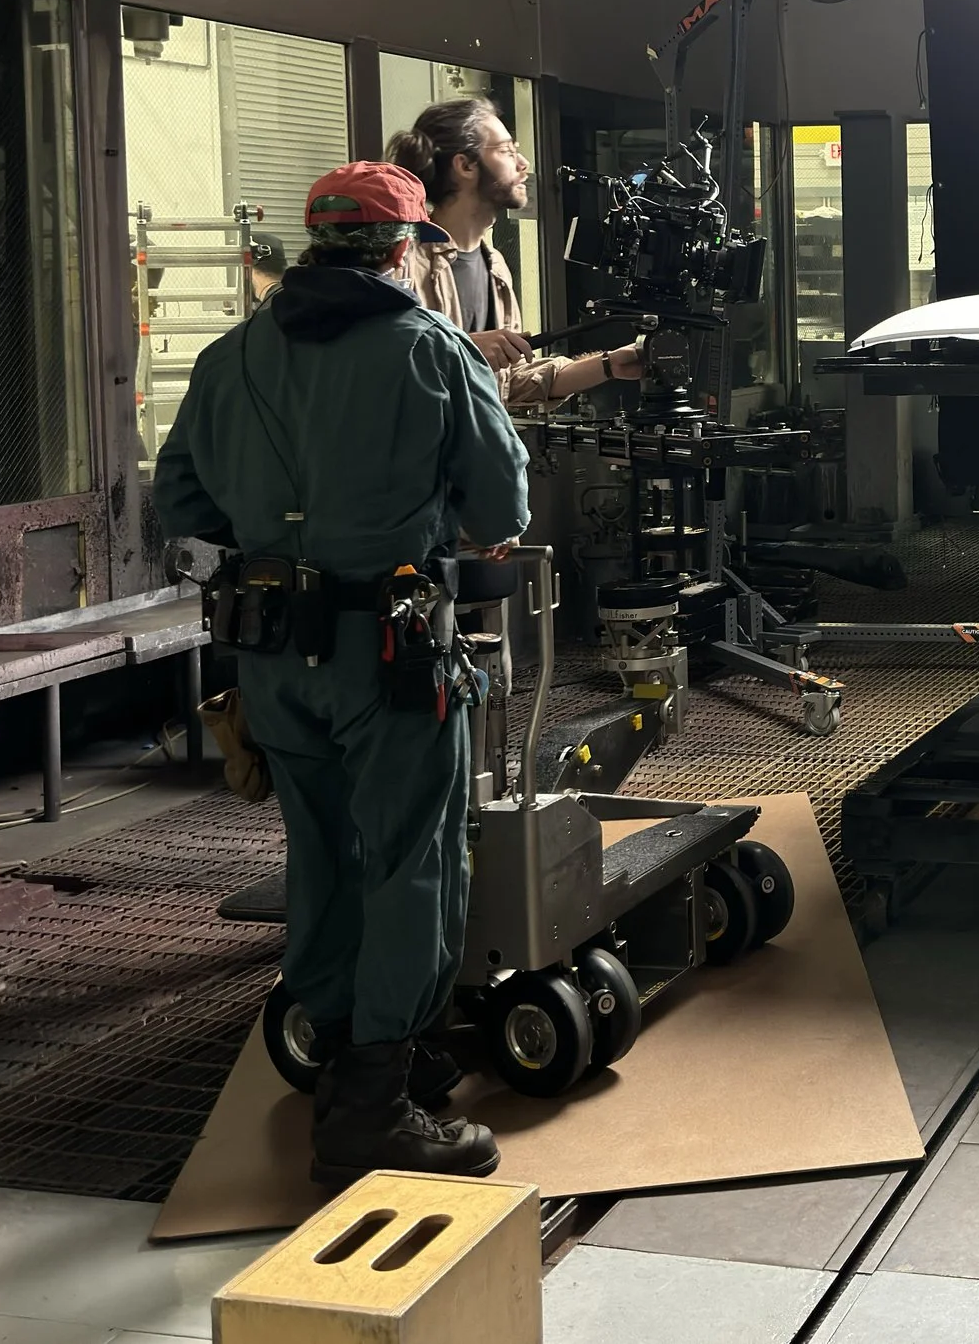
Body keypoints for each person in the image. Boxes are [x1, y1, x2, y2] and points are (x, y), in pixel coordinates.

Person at [155, 161, 530, 1187]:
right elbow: (502, 511)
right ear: (404, 249)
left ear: (313, 243)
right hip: (391, 656)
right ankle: (374, 1103)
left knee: (321, 854)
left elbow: (180, 507)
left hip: (273, 657)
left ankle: (348, 1046)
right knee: (413, 857)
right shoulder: (431, 351)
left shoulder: (228, 358)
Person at [385, 97, 646, 403]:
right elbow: (376, 367)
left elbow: (513, 384)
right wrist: (461, 347)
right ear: (465, 166)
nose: (523, 164)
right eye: (507, 151)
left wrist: (608, 364)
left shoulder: (494, 265)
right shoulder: (401, 262)